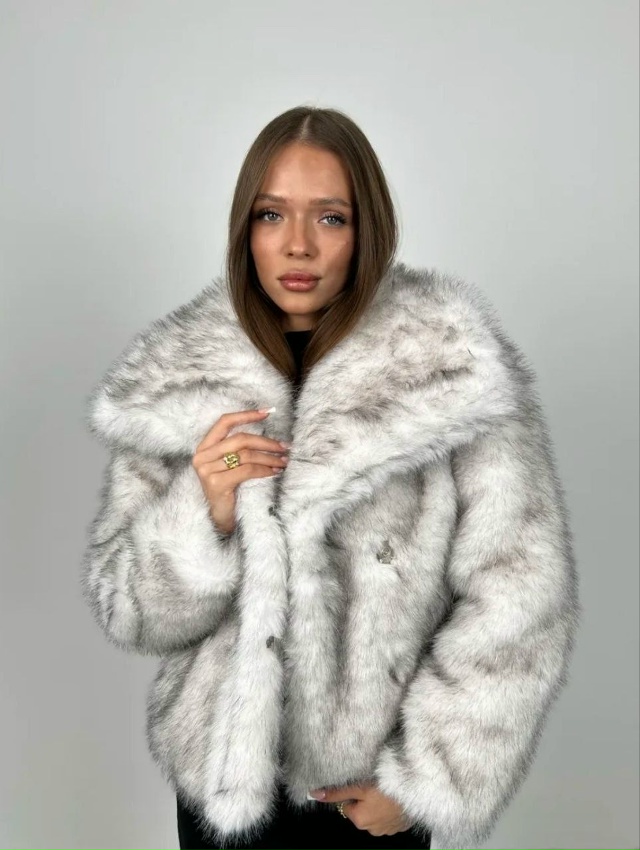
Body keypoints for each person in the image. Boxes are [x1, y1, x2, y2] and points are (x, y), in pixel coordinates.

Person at [81, 106, 580, 850]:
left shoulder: (448, 371)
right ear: (244, 229)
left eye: (331, 217)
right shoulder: (179, 384)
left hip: (368, 798)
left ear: (366, 228)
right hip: (226, 792)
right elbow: (132, 614)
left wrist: (427, 779)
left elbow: (522, 596)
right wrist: (204, 507)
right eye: (271, 214)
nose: (298, 244)